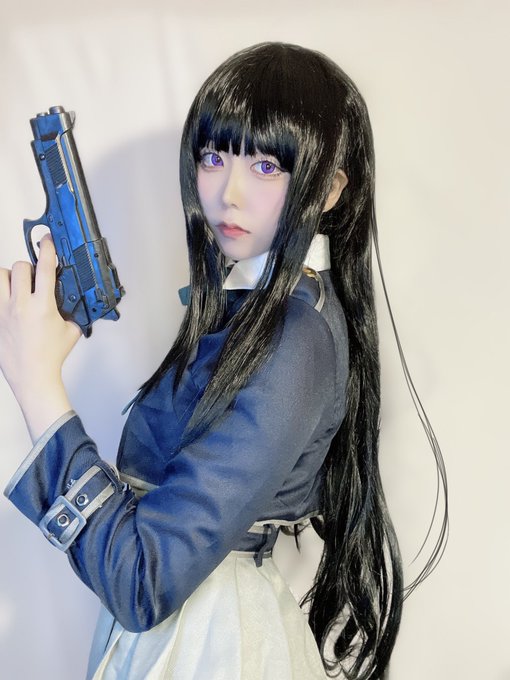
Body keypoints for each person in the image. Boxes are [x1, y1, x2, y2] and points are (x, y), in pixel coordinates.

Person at [0, 42, 444, 679]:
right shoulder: (260, 309)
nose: (228, 193)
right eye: (213, 157)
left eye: (265, 166)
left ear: (329, 189)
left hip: (212, 643)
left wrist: (37, 384)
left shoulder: (295, 337)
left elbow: (143, 582)